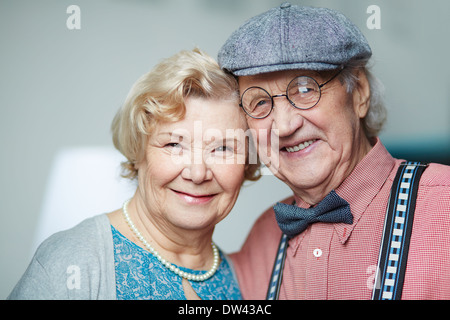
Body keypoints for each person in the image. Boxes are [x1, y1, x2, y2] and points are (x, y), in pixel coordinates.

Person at [218, 3, 450, 300]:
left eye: (305, 89)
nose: (285, 126)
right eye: (260, 102)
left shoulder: (444, 205)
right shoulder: (261, 239)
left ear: (360, 93)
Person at [8, 48, 260, 300]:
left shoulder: (248, 278)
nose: (197, 173)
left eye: (223, 148)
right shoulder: (73, 261)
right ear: (138, 151)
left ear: (247, 162)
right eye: (174, 144)